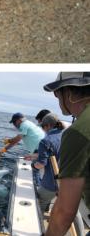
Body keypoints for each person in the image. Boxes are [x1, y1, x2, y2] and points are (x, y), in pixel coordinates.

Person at [43, 72, 90, 236]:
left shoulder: (78, 131)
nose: (57, 99)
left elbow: (65, 211)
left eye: (57, 93)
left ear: (68, 93)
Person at [32, 113, 64, 213]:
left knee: (37, 206)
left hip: (50, 183)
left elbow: (41, 164)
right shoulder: (65, 135)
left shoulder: (45, 141)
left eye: (43, 127)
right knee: (72, 211)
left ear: (48, 126)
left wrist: (33, 165)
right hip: (66, 182)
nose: (42, 129)